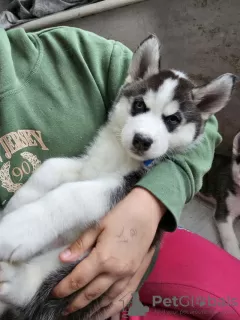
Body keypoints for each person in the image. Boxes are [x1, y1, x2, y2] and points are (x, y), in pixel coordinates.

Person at [0, 26, 221, 319]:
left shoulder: (86, 55)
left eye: (171, 122)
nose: (145, 133)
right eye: (140, 107)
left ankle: (27, 286)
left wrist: (153, 201)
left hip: (69, 281)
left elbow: (210, 131)